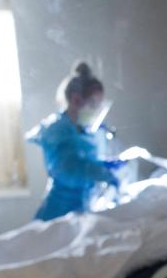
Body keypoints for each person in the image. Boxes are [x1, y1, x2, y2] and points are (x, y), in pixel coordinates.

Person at [27, 62, 119, 220]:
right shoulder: (57, 130)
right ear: (76, 100)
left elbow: (85, 160)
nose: (97, 111)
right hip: (58, 214)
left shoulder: (84, 131)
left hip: (81, 212)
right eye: (94, 104)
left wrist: (106, 164)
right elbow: (68, 170)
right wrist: (102, 172)